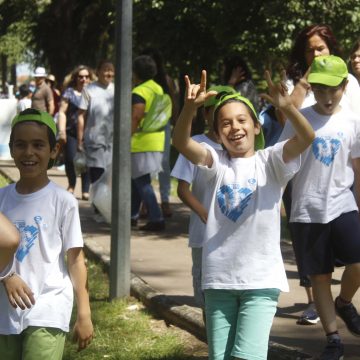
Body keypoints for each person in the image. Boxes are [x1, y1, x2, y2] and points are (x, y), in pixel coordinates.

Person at [173, 70, 314, 360]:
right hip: (218, 280)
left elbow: (307, 136)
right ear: (217, 133)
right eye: (225, 123)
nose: (234, 127)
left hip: (260, 282)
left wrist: (286, 107)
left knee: (247, 357)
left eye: (241, 120)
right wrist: (189, 108)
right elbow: (180, 142)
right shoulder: (216, 163)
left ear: (257, 127)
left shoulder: (271, 161)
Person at [279, 55, 360, 360]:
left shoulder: (353, 121)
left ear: (344, 86)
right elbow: (282, 162)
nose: (327, 97)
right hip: (306, 210)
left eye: (333, 90)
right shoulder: (300, 118)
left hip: (343, 205)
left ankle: (345, 302)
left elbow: (358, 166)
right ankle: (334, 339)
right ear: (312, 88)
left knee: (357, 263)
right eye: (320, 90)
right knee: (320, 276)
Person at [0, 109, 93, 358]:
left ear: (54, 151)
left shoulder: (63, 201)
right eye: (20, 145)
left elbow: (75, 260)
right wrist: (7, 276)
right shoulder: (2, 199)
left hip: (49, 308)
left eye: (38, 144)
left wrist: (84, 311)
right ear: (11, 149)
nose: (29, 152)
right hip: (4, 311)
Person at [171, 85, 235, 312]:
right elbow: (182, 189)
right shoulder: (196, 143)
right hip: (203, 233)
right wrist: (205, 213)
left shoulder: (238, 145)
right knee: (205, 294)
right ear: (206, 114)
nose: (221, 117)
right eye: (214, 111)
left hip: (234, 234)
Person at [131, 55, 172, 231]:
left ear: (135, 72)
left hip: (140, 142)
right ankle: (131, 216)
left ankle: (156, 218)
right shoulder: (158, 89)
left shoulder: (139, 91)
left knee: (142, 182)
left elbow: (136, 115)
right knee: (137, 181)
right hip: (157, 140)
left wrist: (125, 136)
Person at [141, 48, 180, 218]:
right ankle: (146, 202)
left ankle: (165, 201)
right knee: (145, 166)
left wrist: (177, 124)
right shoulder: (139, 83)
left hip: (162, 127)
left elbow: (174, 104)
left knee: (164, 164)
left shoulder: (166, 81)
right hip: (143, 128)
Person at [58, 65, 93, 200]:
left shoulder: (93, 93)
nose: (83, 79)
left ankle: (85, 190)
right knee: (70, 159)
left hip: (89, 133)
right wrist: (61, 131)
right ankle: (71, 185)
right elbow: (62, 112)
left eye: (86, 76)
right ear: (75, 78)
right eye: (80, 77)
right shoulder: (69, 93)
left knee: (88, 162)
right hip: (71, 132)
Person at [77, 60, 115, 185]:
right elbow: (81, 116)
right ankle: (98, 204)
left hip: (113, 141)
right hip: (94, 140)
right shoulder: (89, 90)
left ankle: (107, 204)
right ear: (98, 72)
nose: (109, 73)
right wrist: (79, 140)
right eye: (106, 69)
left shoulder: (118, 89)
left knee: (110, 177)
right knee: (98, 176)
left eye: (111, 70)